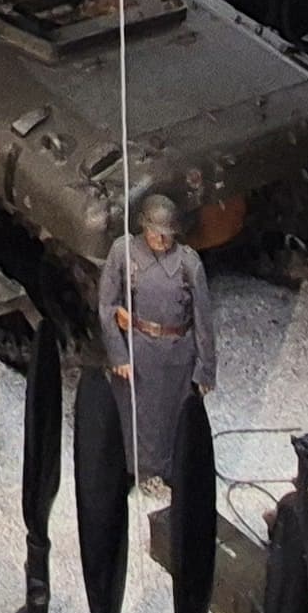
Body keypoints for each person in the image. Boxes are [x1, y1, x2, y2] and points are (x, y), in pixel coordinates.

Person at [96, 187, 217, 490]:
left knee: (174, 415)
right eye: (155, 233)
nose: (161, 240)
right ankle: (131, 468)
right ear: (144, 227)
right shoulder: (124, 253)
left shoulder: (188, 263)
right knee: (134, 415)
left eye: (167, 234)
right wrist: (118, 354)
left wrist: (205, 369)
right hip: (138, 350)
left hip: (177, 353)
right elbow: (107, 306)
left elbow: (203, 320)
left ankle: (172, 468)